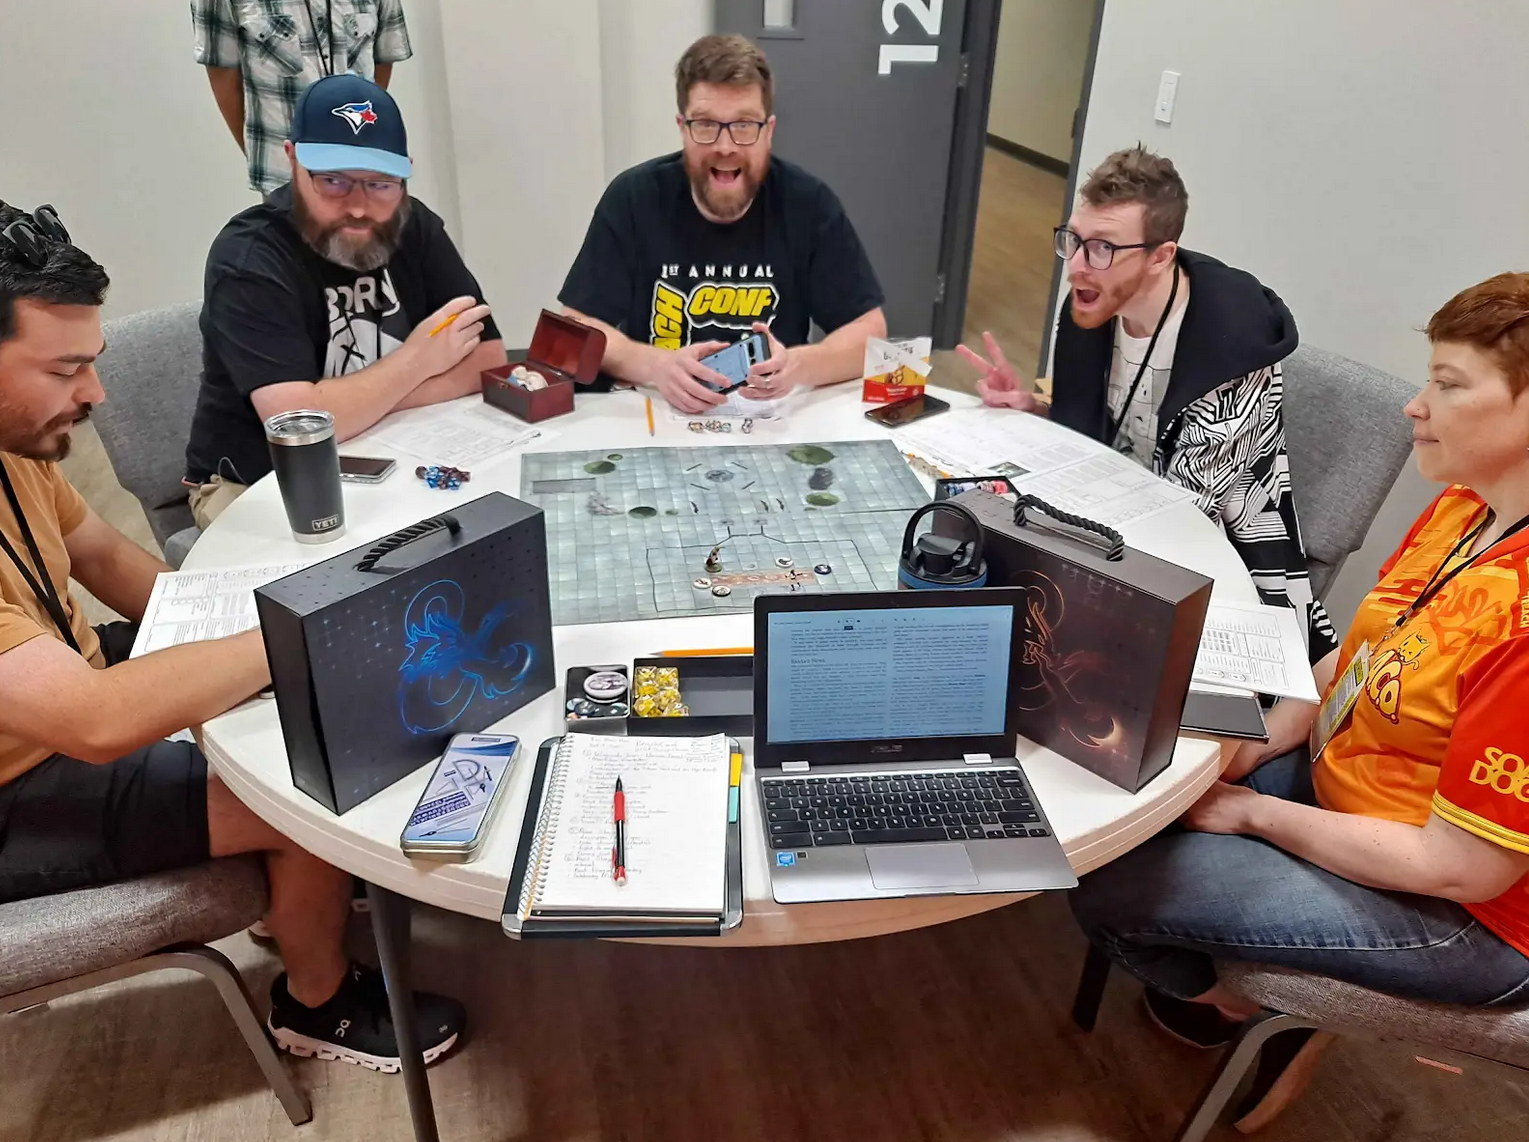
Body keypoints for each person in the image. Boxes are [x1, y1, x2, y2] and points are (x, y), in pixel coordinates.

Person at [0, 200, 465, 1070]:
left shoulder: (16, 446)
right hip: (22, 780)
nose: (94, 394)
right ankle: (315, 1002)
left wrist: (218, 628)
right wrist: (293, 631)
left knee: (298, 700)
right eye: (66, 370)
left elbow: (100, 553)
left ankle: (298, 901)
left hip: (61, 684)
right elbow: (93, 722)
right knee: (301, 794)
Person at [1070, 272, 1529, 1132]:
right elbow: (1361, 660)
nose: (1414, 407)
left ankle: (1252, 1006)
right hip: (1357, 789)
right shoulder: (1465, 507)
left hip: (1466, 914)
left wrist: (1253, 813)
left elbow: (1459, 868)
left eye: (1448, 385)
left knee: (1109, 892)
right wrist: (1265, 734)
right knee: (1134, 796)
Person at [959, 146, 1335, 662]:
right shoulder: (1091, 308)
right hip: (1108, 516)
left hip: (1218, 554)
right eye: (1074, 241)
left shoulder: (1230, 349)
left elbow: (1184, 517)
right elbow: (1095, 432)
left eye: (1103, 248)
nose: (1076, 267)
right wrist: (1034, 409)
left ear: (1161, 255)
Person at [184, 73, 504, 527]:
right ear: (292, 159)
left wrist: (357, 404)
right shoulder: (249, 258)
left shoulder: (415, 226)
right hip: (258, 481)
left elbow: (487, 360)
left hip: (396, 453)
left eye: (381, 184)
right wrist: (418, 360)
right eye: (333, 181)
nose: (358, 206)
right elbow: (300, 426)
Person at [560, 33, 887, 415]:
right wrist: (654, 365)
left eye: (744, 125)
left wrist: (798, 365)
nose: (725, 146)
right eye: (706, 124)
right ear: (683, 127)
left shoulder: (808, 203)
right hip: (657, 414)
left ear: (769, 131)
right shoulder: (633, 198)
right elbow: (574, 326)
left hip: (771, 420)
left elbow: (870, 331)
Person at [193, 0, 413, 196]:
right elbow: (223, 74)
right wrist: (269, 155)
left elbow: (382, 58)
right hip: (286, 179)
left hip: (367, 171)